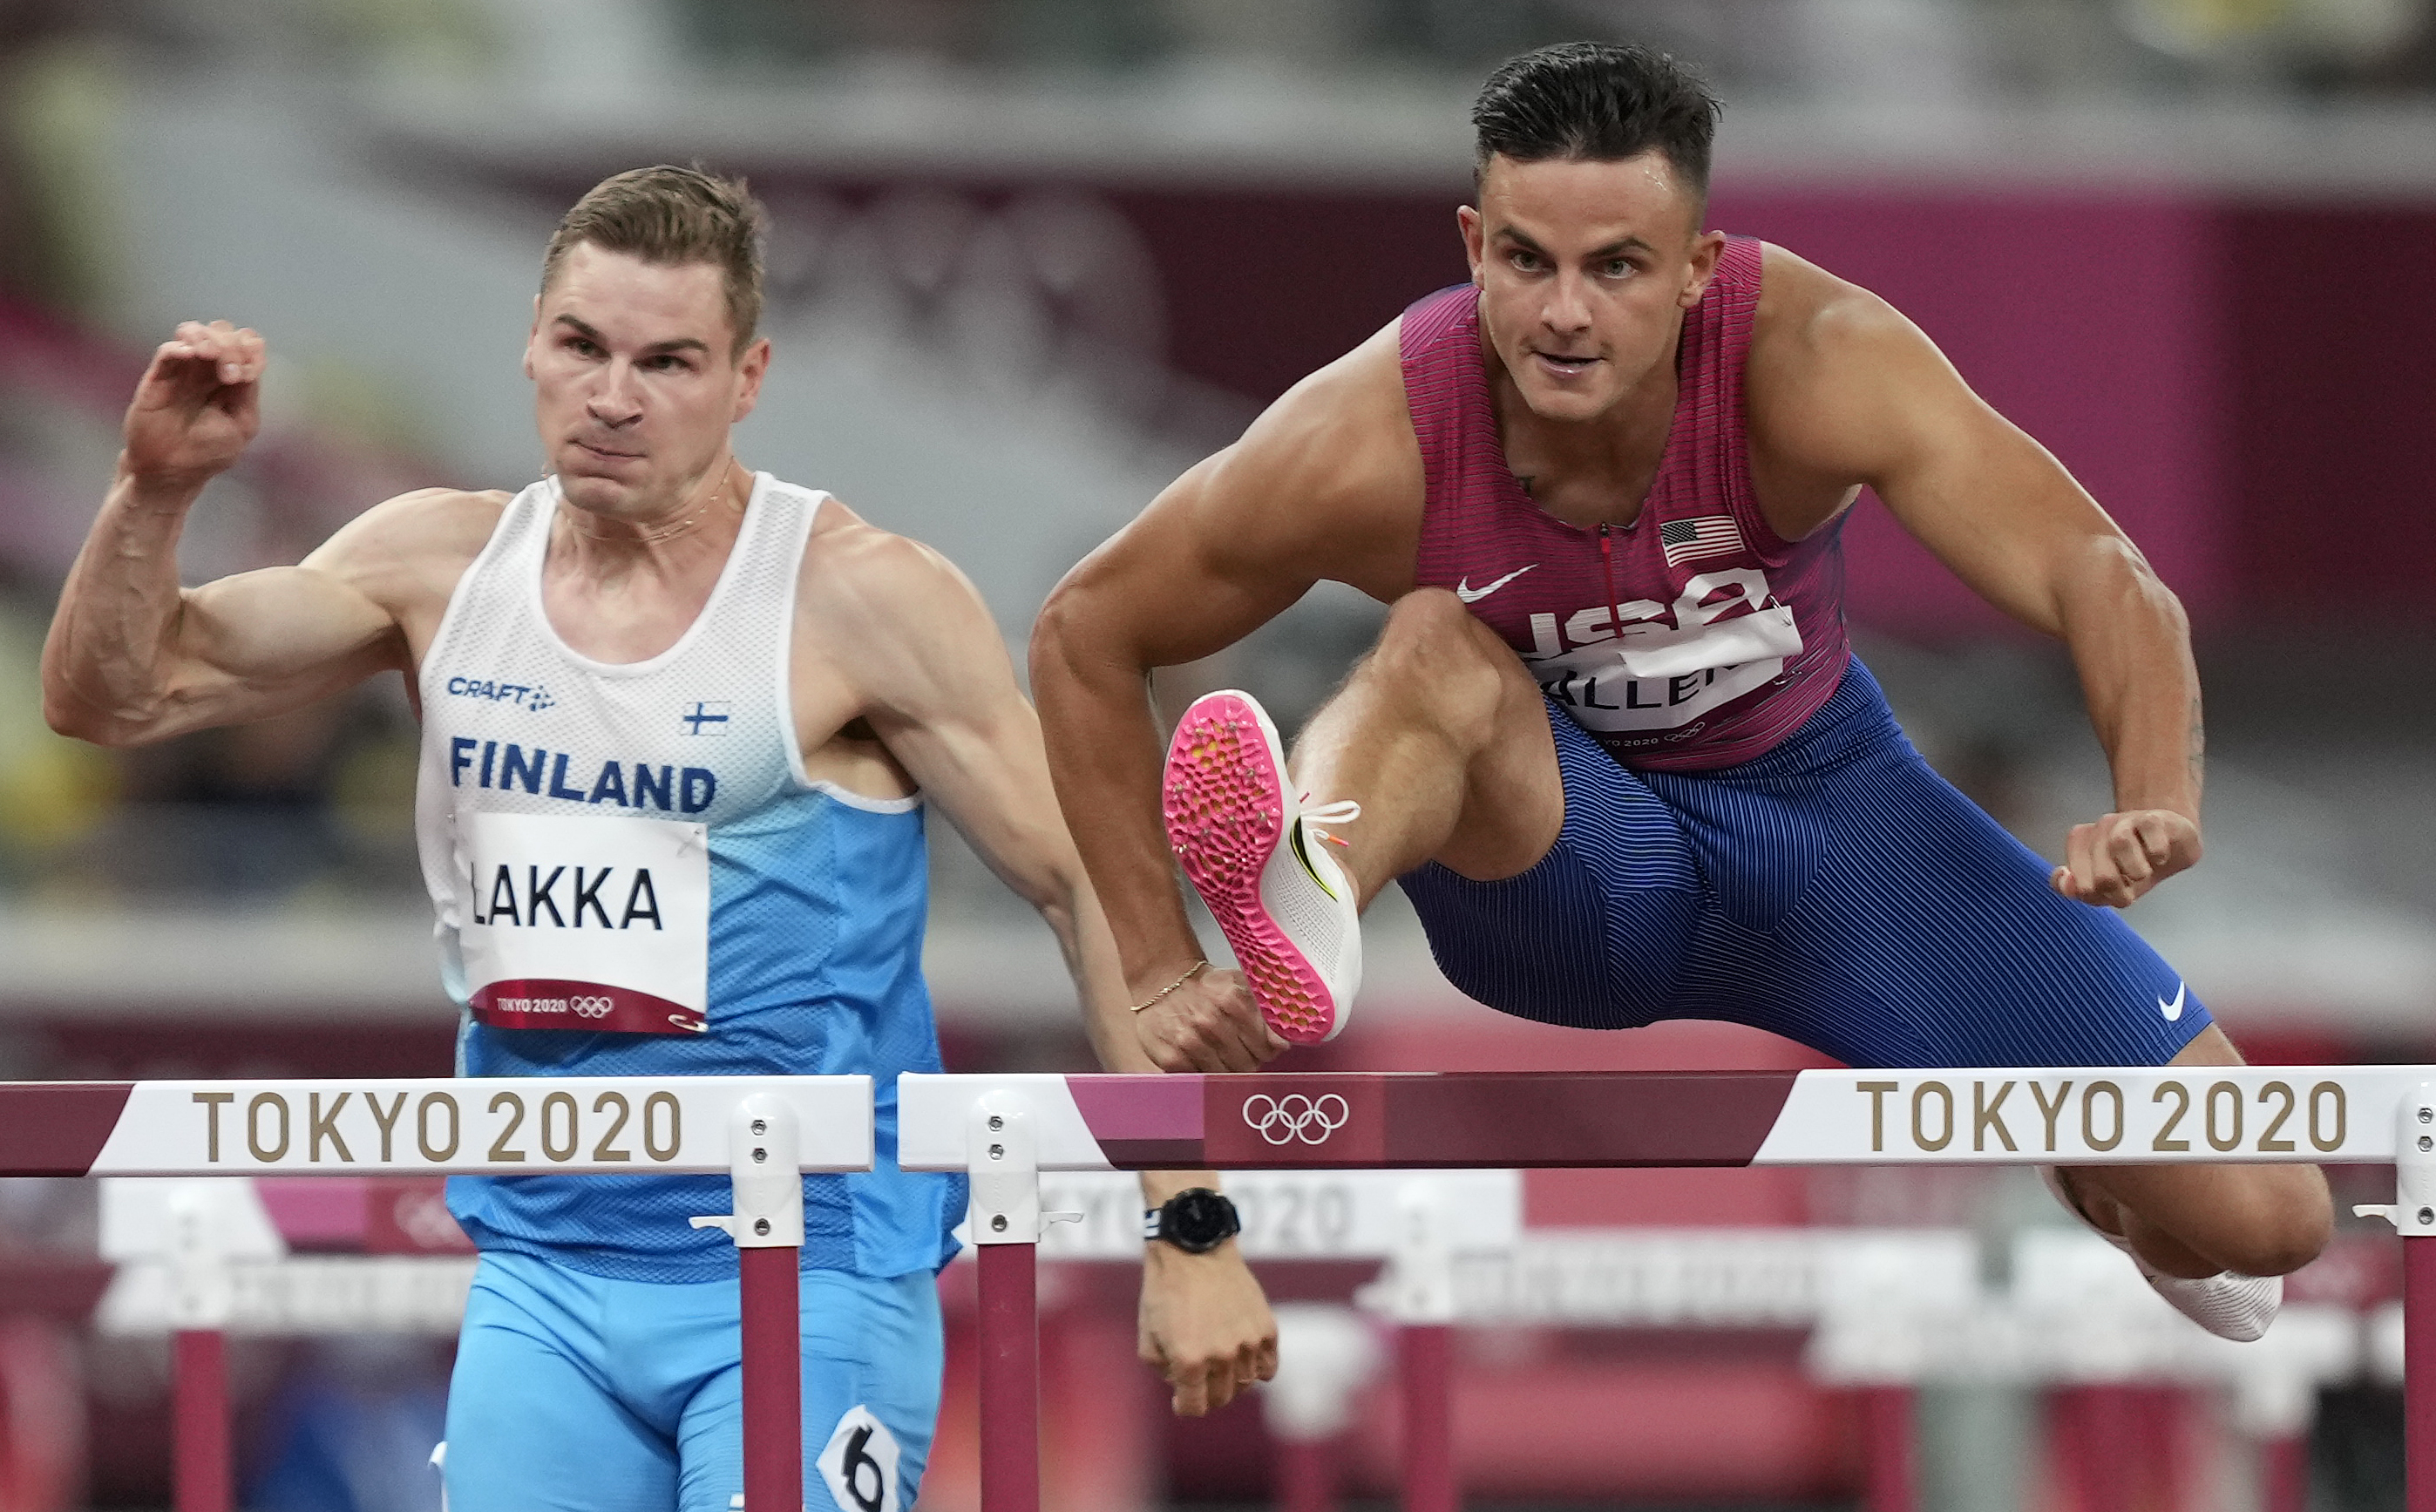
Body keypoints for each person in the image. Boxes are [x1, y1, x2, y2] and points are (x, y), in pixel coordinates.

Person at [1032, 41, 2332, 1360]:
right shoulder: (1365, 439)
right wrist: (1153, 962)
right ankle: (1312, 887)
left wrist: (2154, 793)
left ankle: (2086, 1164)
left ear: (1700, 269)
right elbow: (1088, 630)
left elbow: (2095, 569)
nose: (1564, 315)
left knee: (2271, 1216)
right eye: (1527, 261)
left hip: (1833, 824)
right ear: (1475, 244)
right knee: (1430, 643)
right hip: (1576, 866)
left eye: (1617, 268)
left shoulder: (1820, 356)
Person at [43, 164, 1271, 1506]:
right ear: (532, 342)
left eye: (666, 362)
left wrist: (1190, 1223)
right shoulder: (432, 567)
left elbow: (1090, 890)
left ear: (746, 379)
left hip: (802, 1271)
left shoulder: (858, 599)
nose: (613, 398)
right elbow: (116, 695)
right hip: (544, 1278)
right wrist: (153, 493)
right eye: (582, 347)